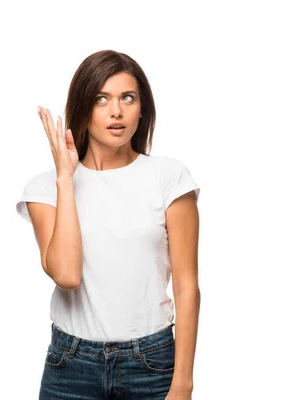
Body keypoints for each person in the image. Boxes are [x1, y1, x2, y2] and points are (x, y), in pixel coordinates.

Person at [16, 50, 201, 399]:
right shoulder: (45, 188)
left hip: (151, 364)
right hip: (70, 367)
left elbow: (187, 286)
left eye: (127, 98)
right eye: (102, 99)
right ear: (84, 107)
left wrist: (183, 383)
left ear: (142, 107)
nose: (116, 111)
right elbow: (67, 275)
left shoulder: (169, 177)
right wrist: (65, 180)